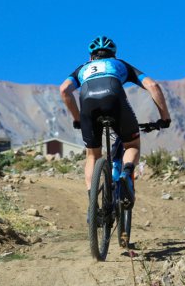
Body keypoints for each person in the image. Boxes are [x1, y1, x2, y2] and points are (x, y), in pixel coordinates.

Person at [59, 36, 171, 206]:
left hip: (88, 105)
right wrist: (164, 117)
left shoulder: (82, 69)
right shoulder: (120, 64)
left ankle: (92, 202)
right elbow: (153, 86)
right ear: (114, 54)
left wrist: (77, 119)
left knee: (93, 155)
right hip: (115, 101)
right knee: (132, 145)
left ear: (91, 57)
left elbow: (64, 90)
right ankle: (126, 173)